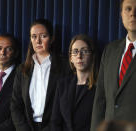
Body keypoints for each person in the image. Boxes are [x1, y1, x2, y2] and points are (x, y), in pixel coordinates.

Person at [11, 19, 70, 131]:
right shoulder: (22, 69)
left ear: (52, 39)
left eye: (43, 36)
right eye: (34, 36)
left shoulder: (65, 66)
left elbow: (66, 104)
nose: (38, 41)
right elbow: (15, 105)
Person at [91, 0, 136, 131]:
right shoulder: (109, 50)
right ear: (121, 14)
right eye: (128, 9)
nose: (133, 13)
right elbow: (100, 99)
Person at [51, 34, 99, 131]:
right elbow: (55, 121)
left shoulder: (100, 85)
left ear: (92, 56)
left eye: (84, 51)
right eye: (75, 52)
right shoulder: (62, 84)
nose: (79, 56)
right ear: (71, 58)